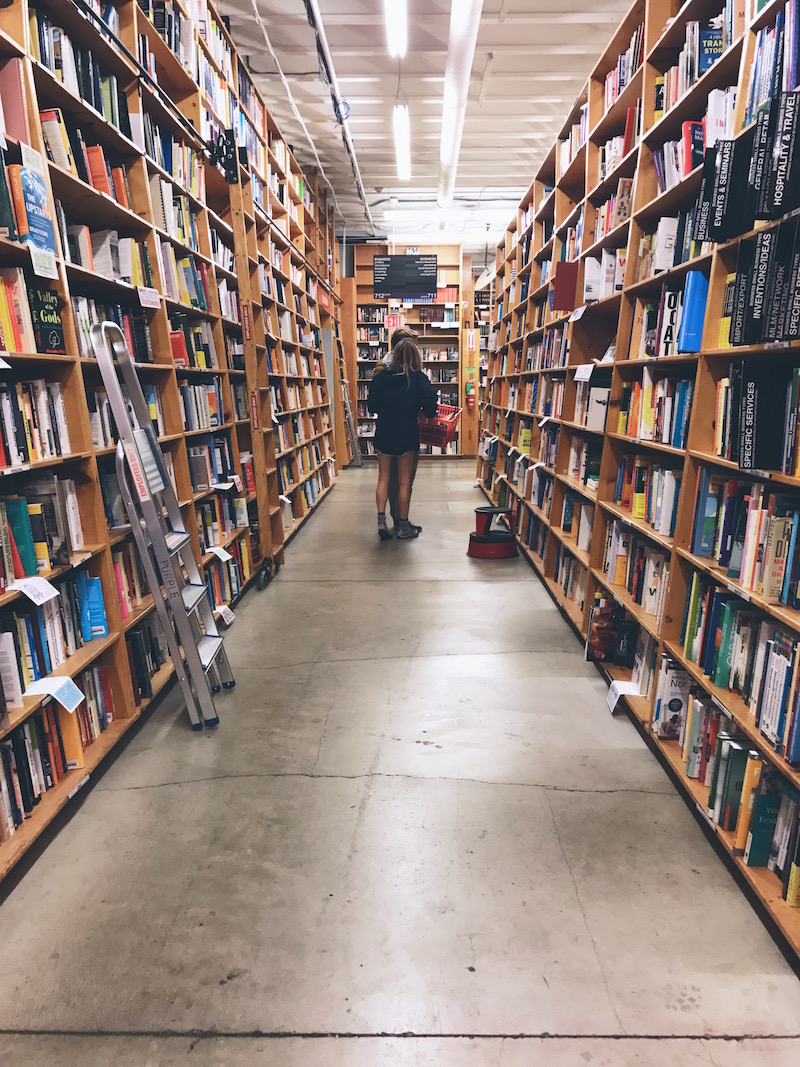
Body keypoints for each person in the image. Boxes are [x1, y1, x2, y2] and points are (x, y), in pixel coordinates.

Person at [368, 328, 438, 540]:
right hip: (407, 434)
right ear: (415, 356)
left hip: (384, 433)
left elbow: (371, 405)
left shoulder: (381, 376)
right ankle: (403, 527)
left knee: (383, 478)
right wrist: (424, 412)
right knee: (404, 482)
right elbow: (431, 400)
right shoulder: (417, 378)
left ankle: (382, 521)